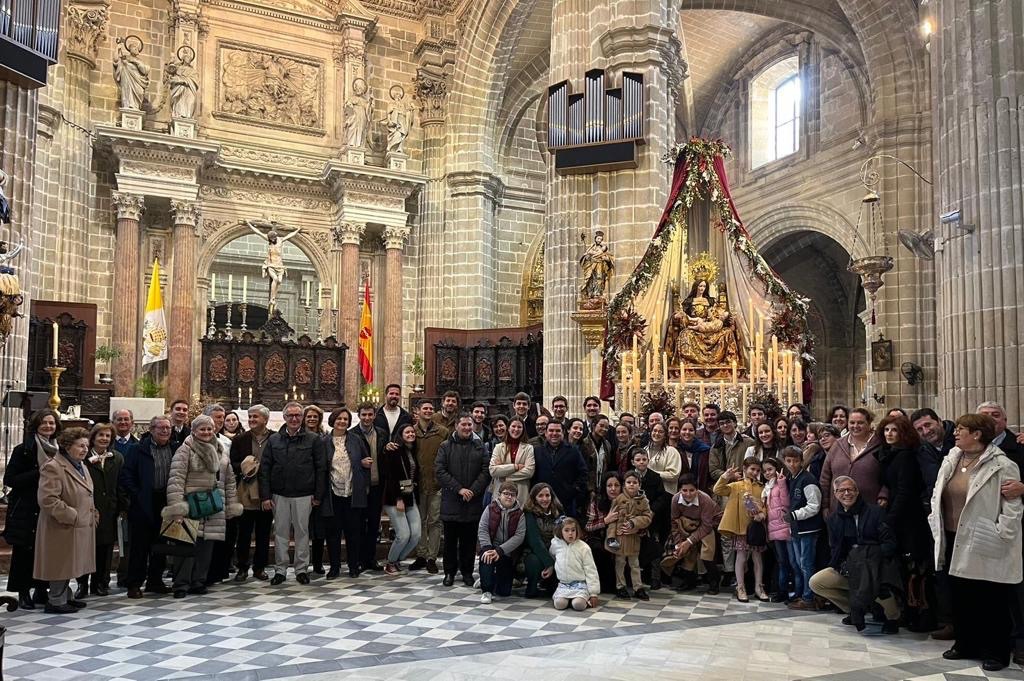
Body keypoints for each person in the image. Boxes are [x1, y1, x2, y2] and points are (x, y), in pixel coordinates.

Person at [929, 414, 1022, 671]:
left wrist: (1002, 532)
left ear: (977, 434)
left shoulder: (1002, 464)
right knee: (960, 594)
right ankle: (966, 643)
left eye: (961, 429)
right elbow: (939, 492)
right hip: (952, 535)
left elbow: (1012, 505)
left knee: (990, 599)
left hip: (985, 535)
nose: (955, 433)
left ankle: (997, 651)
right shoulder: (952, 458)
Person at [161, 415, 242, 599]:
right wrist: (176, 507)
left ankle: (199, 581)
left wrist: (231, 504)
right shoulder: (185, 450)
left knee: (206, 546)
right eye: (202, 429)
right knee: (187, 545)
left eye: (209, 429)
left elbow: (229, 481)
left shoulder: (221, 450)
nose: (206, 432)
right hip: (191, 505)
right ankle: (181, 583)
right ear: (194, 431)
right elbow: (176, 480)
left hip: (213, 505)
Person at [810, 476, 901, 633]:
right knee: (817, 582)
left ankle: (893, 617)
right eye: (841, 490)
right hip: (850, 565)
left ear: (857, 491)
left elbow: (890, 543)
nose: (846, 493)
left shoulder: (875, 512)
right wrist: (840, 565)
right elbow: (835, 548)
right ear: (835, 494)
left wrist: (873, 560)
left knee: (875, 582)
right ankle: (855, 608)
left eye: (850, 489)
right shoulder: (834, 519)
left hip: (876, 564)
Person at [259, 402, 325, 586]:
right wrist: (265, 496)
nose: (294, 419)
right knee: (280, 533)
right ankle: (280, 570)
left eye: (298, 415)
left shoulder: (313, 439)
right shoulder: (274, 440)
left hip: (304, 494)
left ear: (302, 418)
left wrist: (318, 495)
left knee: (302, 533)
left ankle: (301, 569)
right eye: (291, 416)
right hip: (279, 494)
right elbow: (265, 469)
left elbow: (321, 469)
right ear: (285, 417)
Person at [2, 408, 61, 609]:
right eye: (44, 423)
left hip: (49, 506)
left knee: (47, 550)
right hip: (26, 508)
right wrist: (39, 472)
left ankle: (41, 590)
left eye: (52, 423)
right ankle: (23, 591)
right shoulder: (24, 449)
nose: (48, 426)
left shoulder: (59, 448)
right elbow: (9, 479)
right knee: (25, 552)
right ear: (36, 425)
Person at [34, 427, 97, 614]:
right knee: (60, 563)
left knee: (71, 562)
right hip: (61, 525)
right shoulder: (53, 466)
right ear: (67, 446)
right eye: (80, 445)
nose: (85, 449)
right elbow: (48, 499)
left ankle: (66, 596)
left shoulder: (82, 466)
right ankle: (55, 600)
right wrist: (72, 515)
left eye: (87, 445)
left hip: (79, 524)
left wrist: (92, 511)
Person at [120, 415, 175, 599]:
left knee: (160, 544)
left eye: (167, 428)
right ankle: (134, 583)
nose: (165, 431)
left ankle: (155, 581)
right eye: (161, 428)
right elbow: (127, 475)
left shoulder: (175, 448)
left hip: (165, 501)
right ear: (151, 430)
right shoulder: (138, 449)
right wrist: (137, 493)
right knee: (139, 546)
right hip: (143, 501)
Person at [436, 413, 490, 587]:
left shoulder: (479, 446)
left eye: (470, 425)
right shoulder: (445, 446)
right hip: (452, 498)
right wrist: (459, 489)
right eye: (464, 425)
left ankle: (467, 572)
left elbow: (485, 470)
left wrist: (472, 490)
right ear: (456, 426)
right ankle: (449, 572)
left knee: (468, 539)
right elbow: (440, 470)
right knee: (450, 541)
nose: (467, 428)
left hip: (472, 500)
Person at [79, 423, 126, 598]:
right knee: (85, 548)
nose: (104, 439)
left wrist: (122, 506)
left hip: (109, 509)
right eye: (101, 435)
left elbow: (121, 484)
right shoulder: (83, 457)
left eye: (107, 436)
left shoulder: (117, 458)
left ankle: (100, 583)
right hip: (89, 508)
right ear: (93, 437)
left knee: (105, 549)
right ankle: (82, 584)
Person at [321, 408, 367, 579]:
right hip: (332, 493)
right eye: (339, 418)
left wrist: (363, 484)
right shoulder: (324, 441)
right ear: (333, 420)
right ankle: (334, 567)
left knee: (353, 532)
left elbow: (365, 462)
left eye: (346, 419)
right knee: (333, 533)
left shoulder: (356, 440)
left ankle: (353, 566)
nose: (342, 421)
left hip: (352, 492)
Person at [230, 405, 274, 582]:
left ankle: (260, 567)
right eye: (250, 417)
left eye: (255, 417)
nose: (252, 420)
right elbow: (232, 463)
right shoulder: (240, 439)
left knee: (264, 533)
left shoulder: (275, 438)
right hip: (246, 491)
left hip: (267, 491)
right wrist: (245, 466)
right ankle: (242, 567)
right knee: (244, 533)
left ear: (265, 419)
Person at [714, 457, 767, 603]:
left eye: (757, 470)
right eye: (752, 469)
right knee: (741, 557)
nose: (755, 472)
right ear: (744, 468)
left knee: (757, 557)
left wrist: (762, 513)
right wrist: (725, 476)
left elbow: (765, 504)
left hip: (756, 527)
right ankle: (741, 587)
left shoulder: (761, 487)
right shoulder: (736, 485)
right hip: (740, 528)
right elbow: (718, 489)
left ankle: (758, 586)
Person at [661, 474, 722, 594]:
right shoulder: (675, 500)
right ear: (679, 490)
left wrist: (689, 541)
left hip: (707, 524)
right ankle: (689, 580)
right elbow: (674, 522)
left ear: (697, 490)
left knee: (707, 550)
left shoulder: (705, 499)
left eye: (692, 490)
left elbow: (707, 525)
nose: (688, 494)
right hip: (686, 524)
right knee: (686, 552)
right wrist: (680, 543)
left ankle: (714, 580)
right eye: (684, 490)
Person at [781, 446, 824, 611]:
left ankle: (809, 598)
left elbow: (814, 505)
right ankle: (802, 594)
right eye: (789, 461)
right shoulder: (791, 478)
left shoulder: (808, 479)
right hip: (797, 528)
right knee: (799, 563)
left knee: (806, 564)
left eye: (796, 461)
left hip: (808, 528)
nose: (792, 464)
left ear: (801, 461)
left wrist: (795, 515)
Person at [409, 399, 448, 574]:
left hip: (436, 483)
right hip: (417, 484)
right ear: (417, 411)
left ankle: (432, 557)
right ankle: (421, 555)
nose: (428, 411)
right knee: (420, 521)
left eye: (431, 409)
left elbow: (447, 457)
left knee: (435, 521)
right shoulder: (411, 432)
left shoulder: (442, 432)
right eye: (425, 408)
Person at [820, 407, 883, 515]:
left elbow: (890, 476)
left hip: (869, 508)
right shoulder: (837, 445)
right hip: (839, 510)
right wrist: (825, 506)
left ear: (869, 423)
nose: (855, 426)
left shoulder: (880, 445)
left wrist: (884, 495)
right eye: (852, 423)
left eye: (860, 423)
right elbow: (825, 478)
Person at [348, 402, 388, 572]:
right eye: (363, 415)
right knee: (357, 525)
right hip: (359, 487)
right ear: (358, 415)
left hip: (377, 485)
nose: (367, 418)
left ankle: (370, 559)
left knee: (373, 525)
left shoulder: (382, 434)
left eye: (370, 414)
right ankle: (356, 560)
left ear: (374, 416)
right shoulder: (351, 434)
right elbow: (345, 460)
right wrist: (359, 462)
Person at [606, 470, 653, 600]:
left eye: (635, 482)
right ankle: (620, 587)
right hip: (620, 538)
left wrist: (634, 523)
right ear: (624, 484)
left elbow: (648, 517)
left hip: (633, 538)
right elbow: (612, 521)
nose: (632, 485)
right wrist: (611, 537)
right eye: (628, 482)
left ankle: (638, 587)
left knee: (635, 564)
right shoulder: (618, 500)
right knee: (619, 563)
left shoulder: (643, 501)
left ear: (639, 484)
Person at [381, 424, 420, 574]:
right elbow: (391, 477)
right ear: (400, 435)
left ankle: (398, 559)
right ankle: (390, 562)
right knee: (403, 534)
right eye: (407, 432)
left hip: (410, 496)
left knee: (416, 534)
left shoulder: (413, 450)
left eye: (412, 431)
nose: (410, 434)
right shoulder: (394, 450)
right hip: (394, 497)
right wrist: (398, 499)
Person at [477, 482, 525, 604]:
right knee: (486, 557)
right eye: (506, 494)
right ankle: (486, 590)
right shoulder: (490, 508)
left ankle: (488, 578)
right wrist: (488, 548)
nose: (509, 497)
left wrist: (500, 550)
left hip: (506, 552)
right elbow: (482, 529)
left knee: (504, 592)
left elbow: (519, 536)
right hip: (490, 547)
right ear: (499, 495)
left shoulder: (520, 514)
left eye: (512, 494)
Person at [532, 421, 589, 519]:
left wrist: (573, 489)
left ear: (563, 433)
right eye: (551, 430)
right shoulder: (537, 451)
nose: (554, 433)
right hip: (542, 501)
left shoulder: (573, 451)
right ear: (545, 433)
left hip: (566, 501)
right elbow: (533, 474)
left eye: (558, 431)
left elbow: (583, 473)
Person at [550, 517, 601, 611]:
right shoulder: (556, 545)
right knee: (559, 604)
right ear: (560, 531)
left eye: (573, 530)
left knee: (578, 605)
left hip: (580, 584)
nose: (570, 533)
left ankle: (580, 599)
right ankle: (567, 599)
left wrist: (594, 593)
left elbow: (591, 570)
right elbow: (552, 557)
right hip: (564, 584)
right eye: (566, 530)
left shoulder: (583, 548)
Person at [521, 482, 562, 597]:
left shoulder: (559, 511)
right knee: (534, 561)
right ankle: (532, 587)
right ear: (534, 498)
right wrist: (550, 564)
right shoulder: (529, 513)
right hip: (534, 551)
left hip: (554, 550)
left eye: (547, 495)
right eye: (540, 496)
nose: (545, 499)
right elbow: (535, 541)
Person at [586, 471, 624, 593]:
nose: (613, 489)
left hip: (622, 535)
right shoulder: (597, 501)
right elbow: (588, 526)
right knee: (600, 549)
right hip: (599, 536)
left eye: (616, 485)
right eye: (609, 486)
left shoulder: (626, 500)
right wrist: (605, 521)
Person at [911, 407, 956, 511]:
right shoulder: (919, 451)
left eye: (928, 425)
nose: (926, 431)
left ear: (939, 421)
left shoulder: (960, 441)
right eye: (919, 429)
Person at [762, 457, 793, 601]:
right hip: (773, 529)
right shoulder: (767, 487)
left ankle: (788, 591)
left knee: (790, 561)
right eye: (765, 471)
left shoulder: (781, 483)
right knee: (781, 561)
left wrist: (781, 483)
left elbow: (786, 503)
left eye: (770, 469)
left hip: (784, 527)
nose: (767, 473)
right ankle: (781, 591)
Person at [488, 417, 535, 502]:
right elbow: (493, 471)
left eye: (519, 427)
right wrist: (515, 467)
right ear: (508, 428)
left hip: (521, 494)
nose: (516, 429)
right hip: (500, 493)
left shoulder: (529, 448)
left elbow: (529, 471)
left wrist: (504, 475)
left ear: (523, 430)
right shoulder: (498, 447)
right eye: (513, 426)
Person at [708, 411, 755, 485]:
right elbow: (713, 471)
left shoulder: (748, 442)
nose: (725, 425)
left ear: (735, 423)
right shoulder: (716, 447)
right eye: (722, 424)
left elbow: (755, 464)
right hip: (725, 487)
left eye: (728, 422)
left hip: (746, 484)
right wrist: (730, 476)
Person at [579, 415, 610, 497]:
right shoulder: (584, 444)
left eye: (606, 427)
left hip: (602, 488)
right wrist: (590, 489)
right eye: (601, 426)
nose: (604, 429)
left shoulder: (607, 445)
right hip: (587, 489)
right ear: (594, 425)